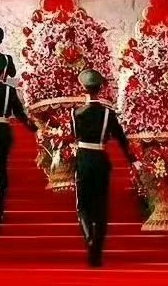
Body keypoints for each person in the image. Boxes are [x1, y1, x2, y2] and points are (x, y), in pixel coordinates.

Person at [72, 67, 137, 267]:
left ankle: (89, 239)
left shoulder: (76, 113)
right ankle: (97, 250)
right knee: (100, 206)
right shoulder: (108, 114)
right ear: (100, 88)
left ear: (83, 88)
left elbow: (74, 136)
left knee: (83, 206)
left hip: (83, 159)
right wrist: (132, 160)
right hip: (100, 159)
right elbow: (121, 139)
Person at [0, 52, 37, 233]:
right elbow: (20, 113)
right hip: (4, 130)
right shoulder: (10, 92)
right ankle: (1, 209)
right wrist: (34, 128)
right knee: (2, 171)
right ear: (4, 72)